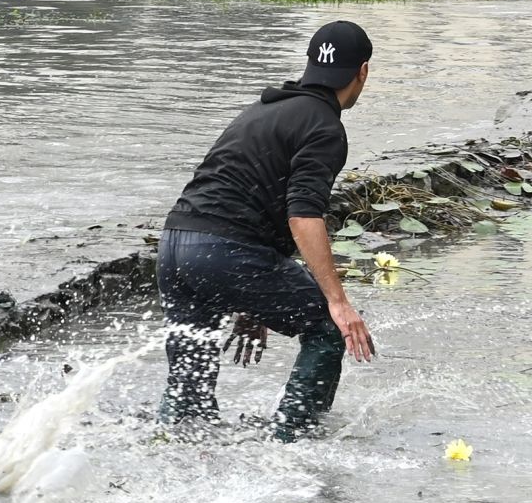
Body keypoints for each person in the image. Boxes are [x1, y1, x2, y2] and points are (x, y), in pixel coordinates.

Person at [157, 22, 377, 440]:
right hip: (225, 253)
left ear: (311, 65)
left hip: (174, 247)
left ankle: (165, 448)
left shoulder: (263, 109)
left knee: (188, 393)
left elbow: (243, 195)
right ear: (362, 71)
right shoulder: (325, 127)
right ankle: (288, 443)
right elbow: (303, 215)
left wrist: (251, 298)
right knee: (329, 329)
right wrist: (339, 303)